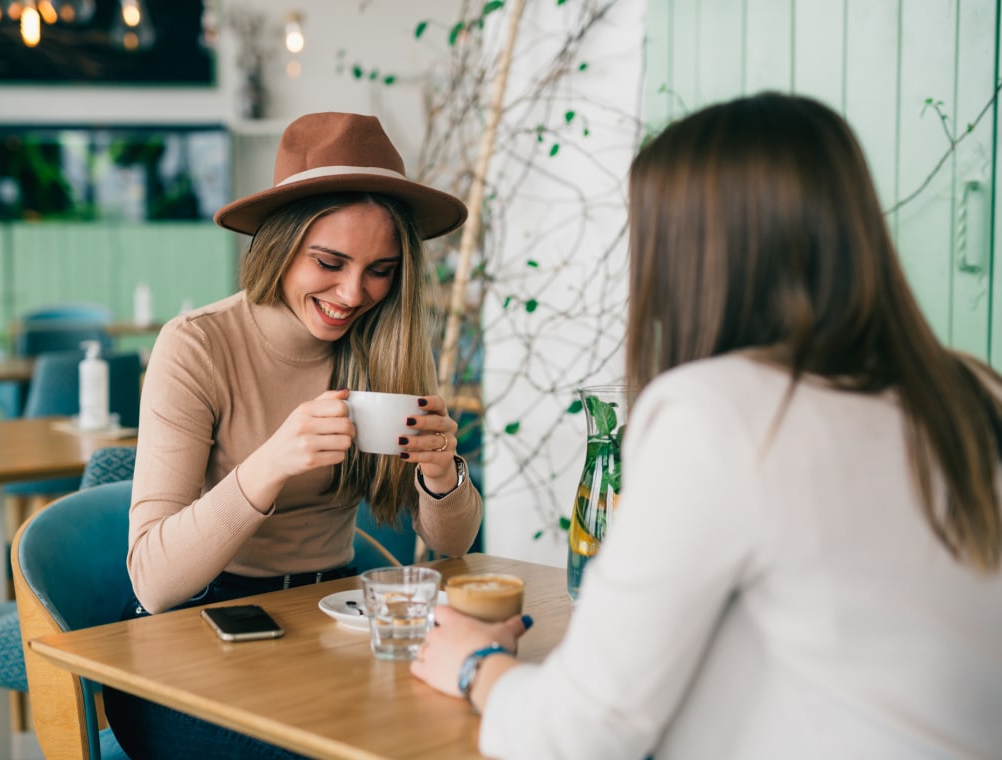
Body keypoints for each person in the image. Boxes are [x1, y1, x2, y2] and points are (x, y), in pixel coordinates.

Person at [411, 92, 1002, 759]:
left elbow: (577, 736)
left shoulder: (715, 411)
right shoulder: (974, 391)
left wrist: (477, 663)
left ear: (689, 256)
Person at [105, 112, 484, 759]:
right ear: (281, 243)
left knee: (465, 724)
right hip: (194, 634)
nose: (352, 293)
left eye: (380, 270)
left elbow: (453, 549)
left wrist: (442, 474)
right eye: (330, 262)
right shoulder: (197, 345)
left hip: (328, 617)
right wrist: (269, 464)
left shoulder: (383, 346)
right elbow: (154, 582)